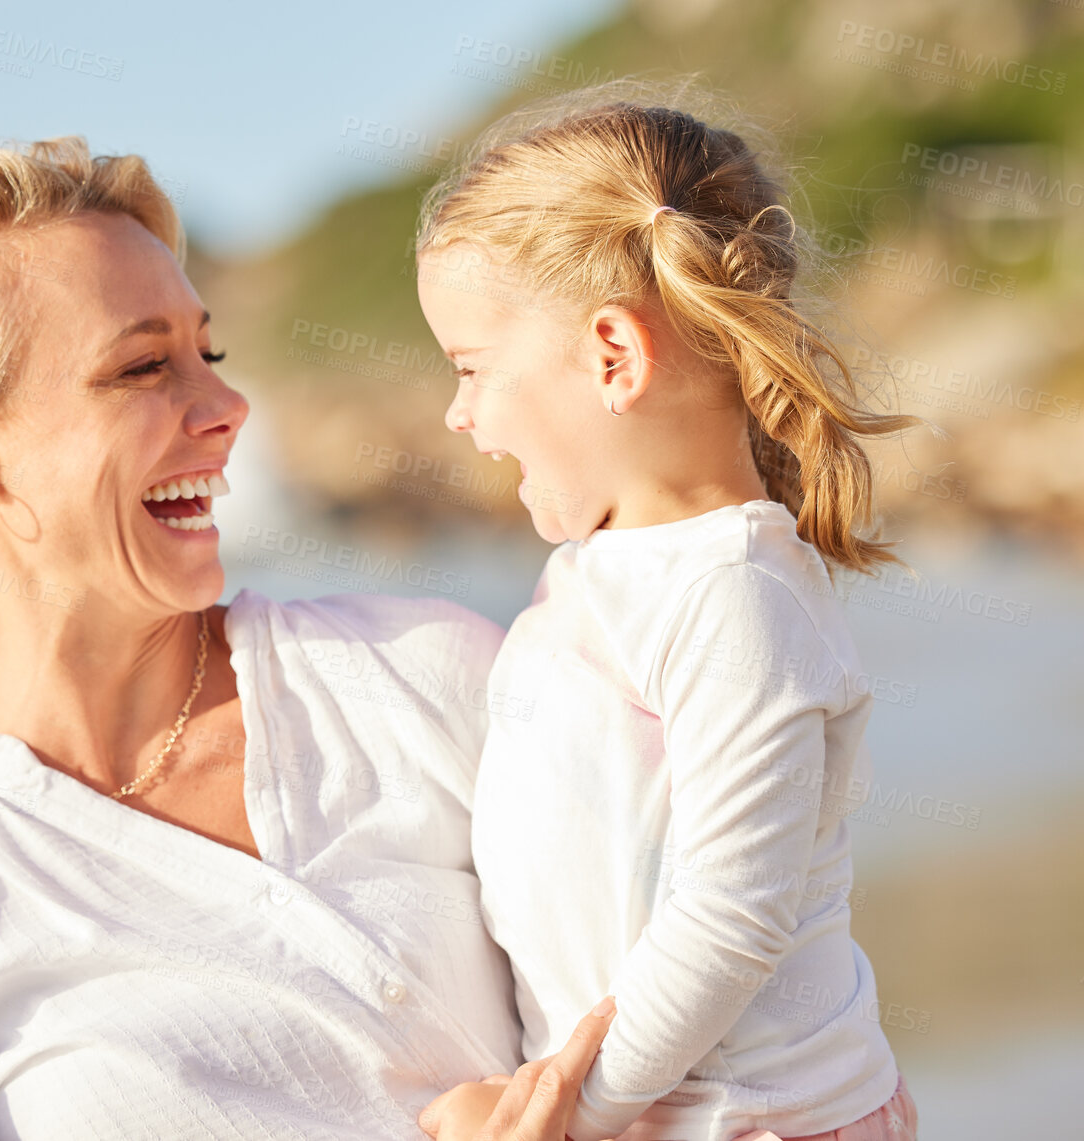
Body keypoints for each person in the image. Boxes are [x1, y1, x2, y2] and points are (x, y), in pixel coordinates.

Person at [0, 135, 612, 1139]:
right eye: (145, 365)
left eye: (210, 352)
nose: (229, 408)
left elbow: (720, 1036)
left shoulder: (422, 680)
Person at [413, 85, 921, 1141]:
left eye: (472, 370)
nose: (459, 414)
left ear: (614, 356)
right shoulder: (603, 566)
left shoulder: (737, 593)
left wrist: (575, 1112)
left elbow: (733, 914)